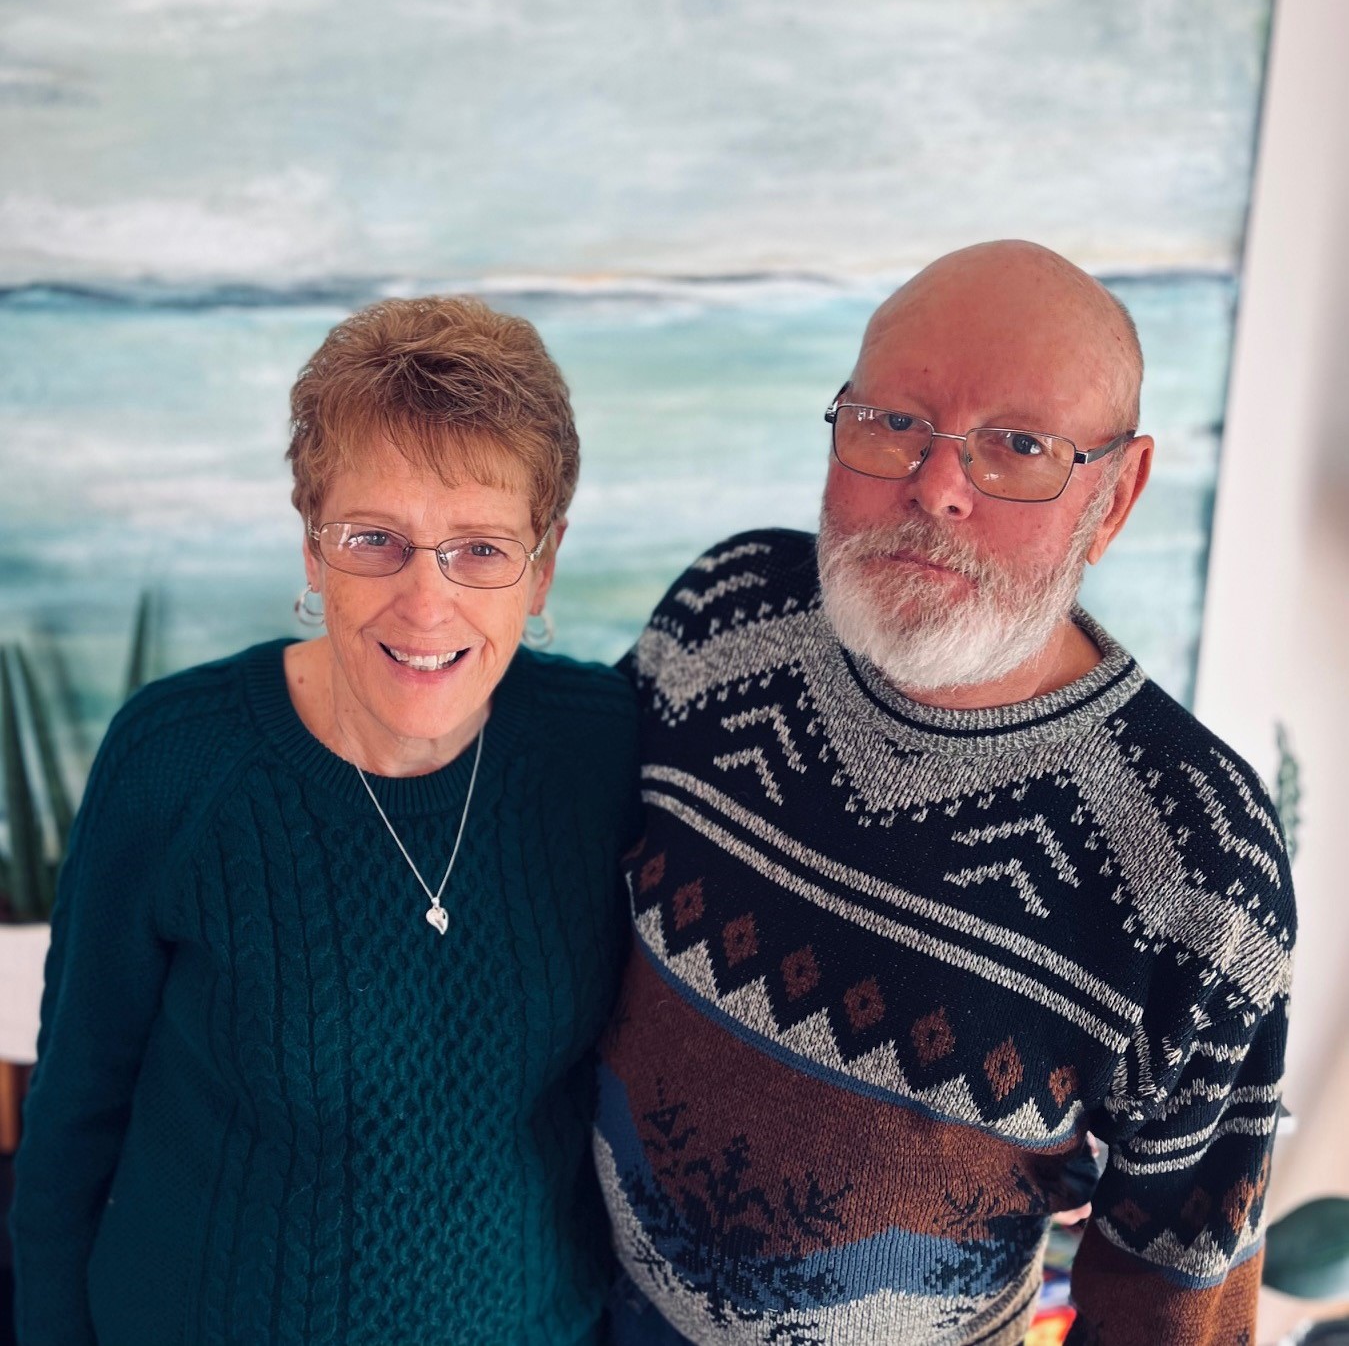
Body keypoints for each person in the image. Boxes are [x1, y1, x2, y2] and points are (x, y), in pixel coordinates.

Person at [595, 241, 1295, 1345]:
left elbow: (1178, 1283)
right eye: (891, 423)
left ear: (1113, 497)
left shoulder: (1196, 858)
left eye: (1017, 445)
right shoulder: (724, 612)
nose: (934, 486)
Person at [11, 296, 640, 1345]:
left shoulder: (603, 748)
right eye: (374, 539)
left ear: (544, 564)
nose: (425, 601)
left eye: (480, 548)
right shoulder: (177, 762)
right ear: (311, 550)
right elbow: (72, 1124)